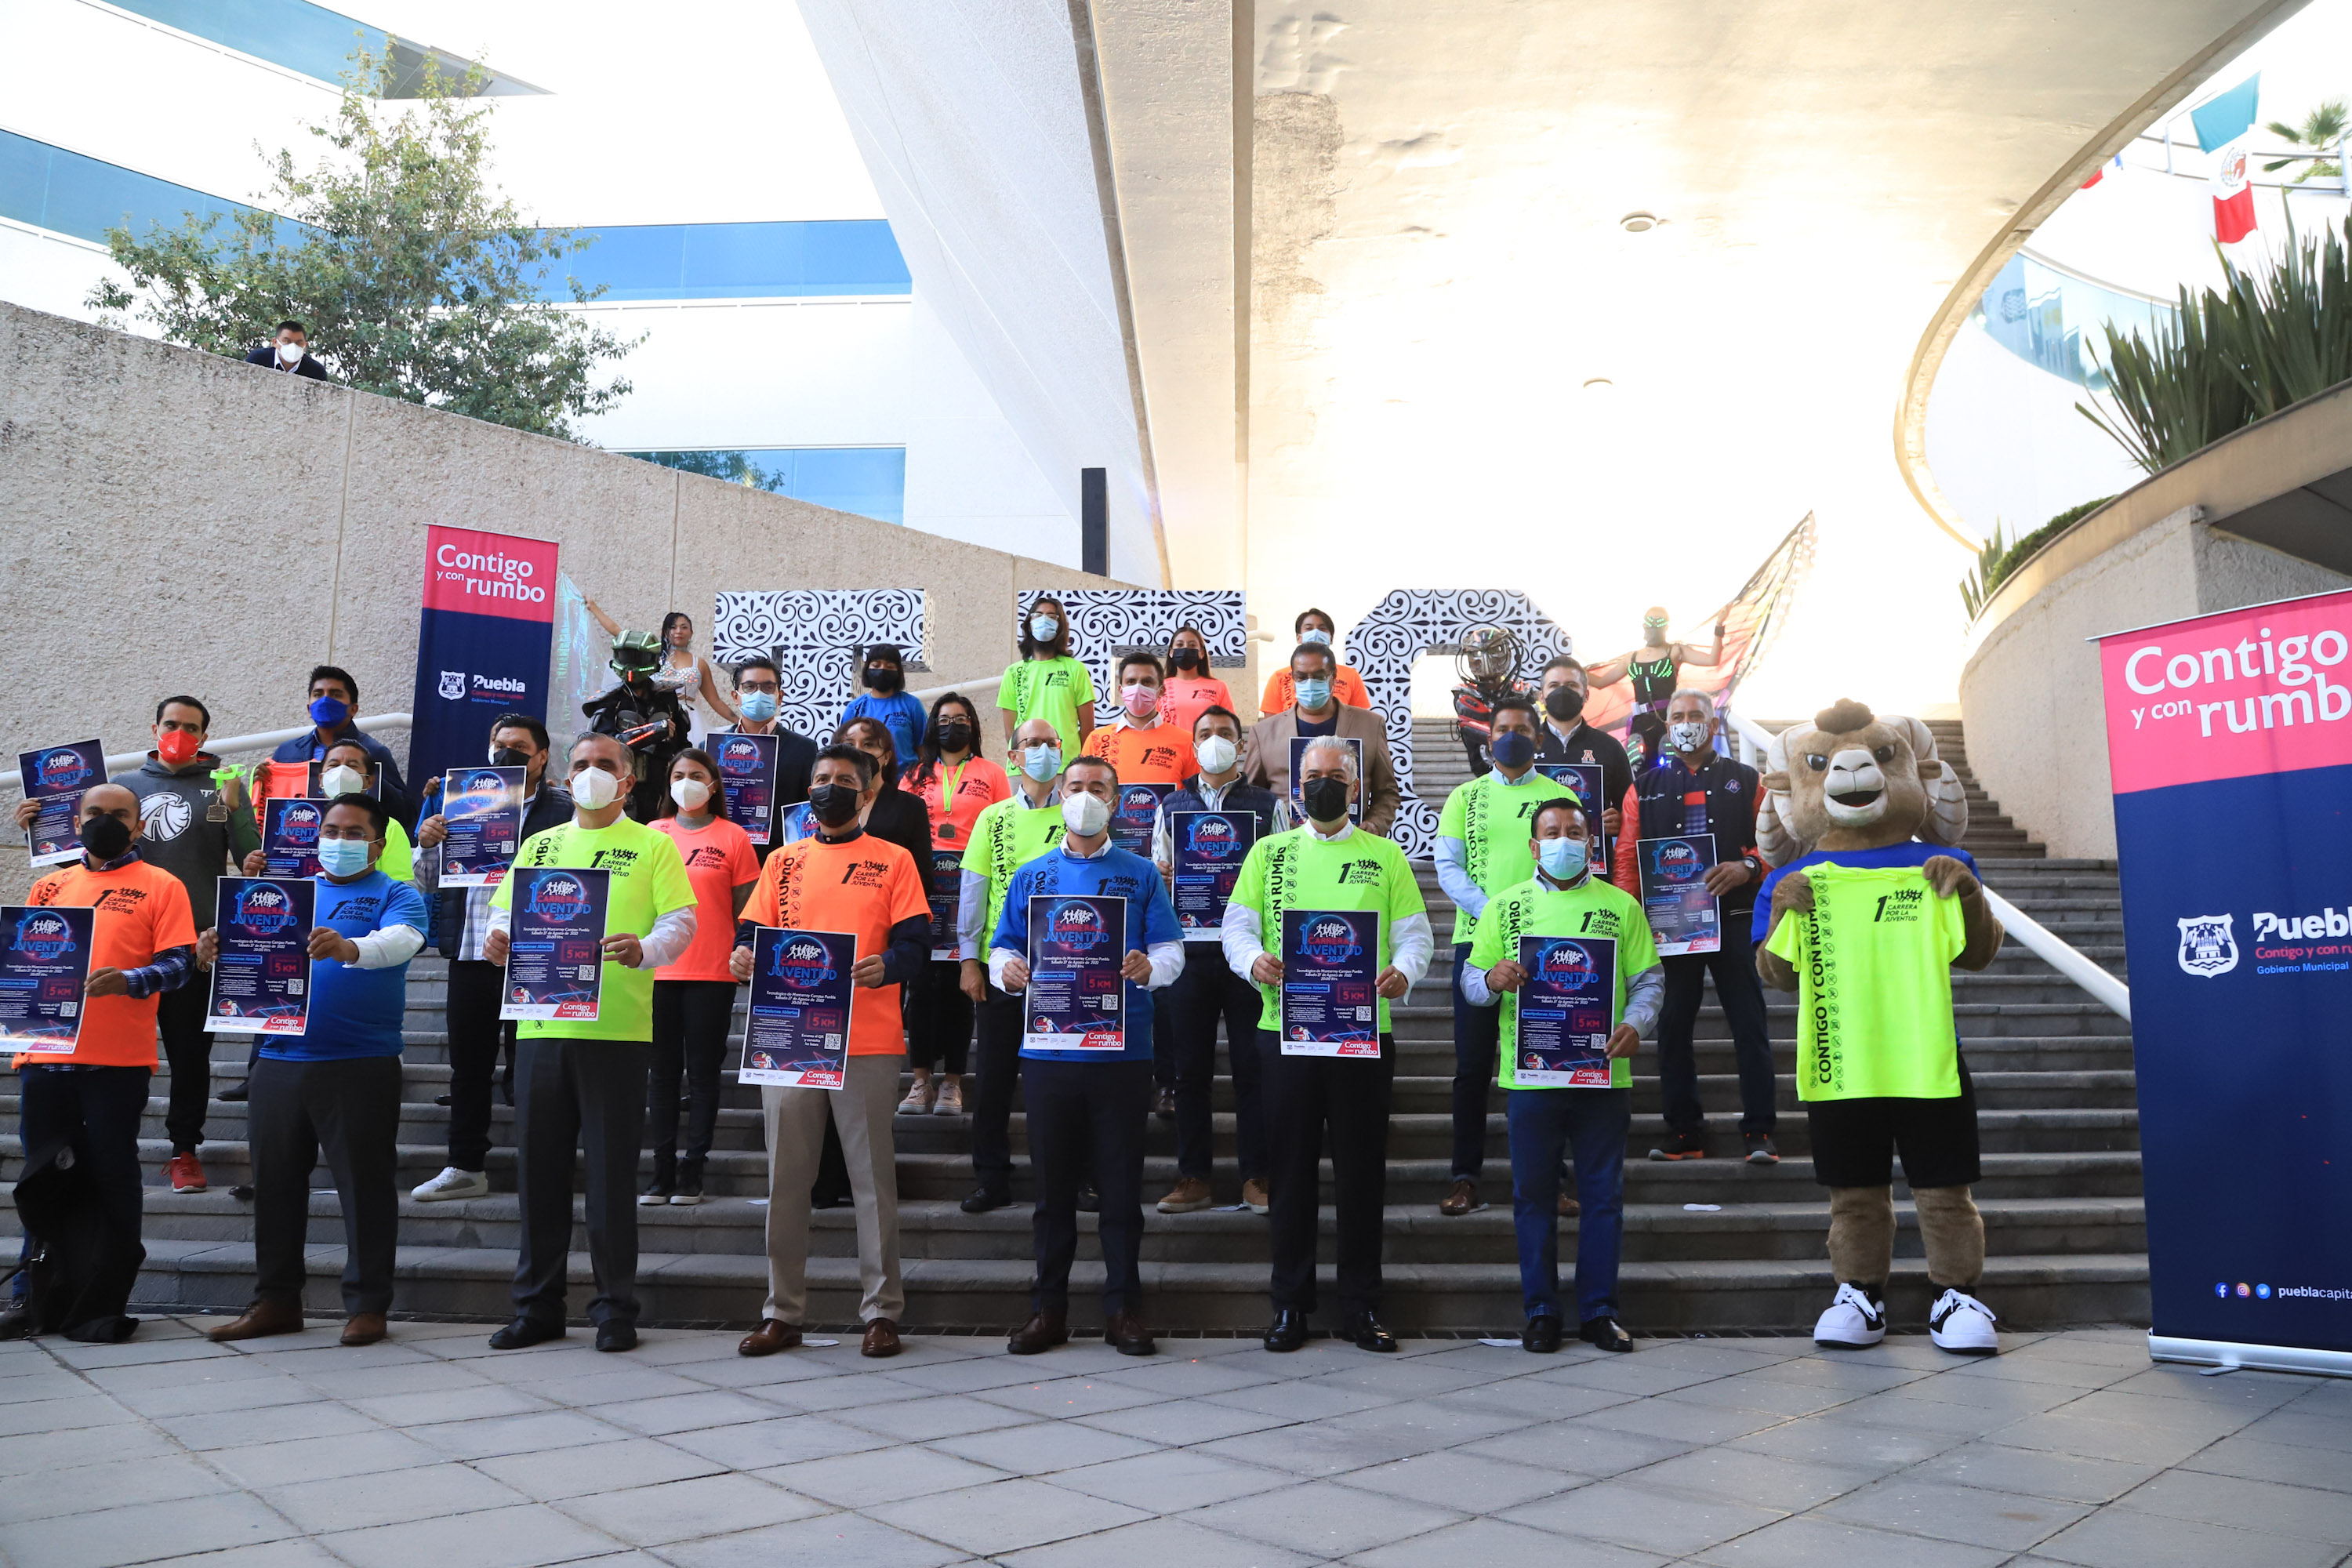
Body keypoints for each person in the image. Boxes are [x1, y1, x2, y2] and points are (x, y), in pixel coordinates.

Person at [483, 732, 698, 1353]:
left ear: (628, 781)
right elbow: (504, 912)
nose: (591, 774)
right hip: (540, 1029)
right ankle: (537, 1307)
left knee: (609, 1180)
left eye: (606, 765)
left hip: (617, 1035)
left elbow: (679, 923)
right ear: (563, 777)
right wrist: (500, 938)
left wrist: (645, 950)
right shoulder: (541, 844)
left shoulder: (653, 845)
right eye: (581, 765)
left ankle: (614, 1309)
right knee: (540, 1176)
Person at [1224, 738, 1432, 1352]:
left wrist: (1407, 973)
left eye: (1336, 776)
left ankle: (1362, 1307)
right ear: (1296, 787)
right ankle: (1290, 1305)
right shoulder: (1269, 853)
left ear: (1355, 786)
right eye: (1313, 776)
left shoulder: (1385, 857)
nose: (1323, 785)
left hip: (1363, 1040)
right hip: (1283, 1036)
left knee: (1361, 1176)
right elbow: (1238, 927)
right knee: (1289, 1175)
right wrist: (1252, 959)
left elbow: (1415, 936)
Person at [198, 793, 427, 1347]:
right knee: (274, 1187)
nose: (339, 839)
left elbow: (403, 942)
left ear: (378, 843)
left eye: (354, 832)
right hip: (276, 1060)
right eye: (331, 829)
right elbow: (246, 954)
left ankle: (369, 1306)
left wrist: (350, 947)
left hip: (359, 1062)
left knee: (365, 1188)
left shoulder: (398, 894)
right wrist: (213, 950)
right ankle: (276, 1301)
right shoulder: (285, 895)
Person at [732, 745, 932, 1360]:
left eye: (846, 780)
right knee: (786, 1180)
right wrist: (742, 957)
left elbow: (918, 946)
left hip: (867, 1040)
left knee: (873, 1182)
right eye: (822, 779)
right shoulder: (783, 861)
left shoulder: (894, 860)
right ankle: (782, 1312)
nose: (831, 787)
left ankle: (881, 1313)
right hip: (788, 1037)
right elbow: (750, 934)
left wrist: (887, 967)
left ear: (868, 791)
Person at [989, 754, 1185, 1356]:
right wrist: (1009, 971)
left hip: (1122, 1056)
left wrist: (1151, 968)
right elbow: (1001, 948)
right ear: (1061, 793)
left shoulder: (1141, 875)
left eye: (1097, 787)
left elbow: (1171, 950)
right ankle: (1048, 1310)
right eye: (1075, 786)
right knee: (1051, 1195)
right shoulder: (1032, 876)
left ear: (1117, 800)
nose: (1084, 795)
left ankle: (1123, 1309)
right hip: (1049, 1054)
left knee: (1122, 1191)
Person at [1462, 797, 1662, 1352]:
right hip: (1530, 1080)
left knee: (1603, 1198)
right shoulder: (1503, 908)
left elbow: (1650, 981)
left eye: (1575, 832)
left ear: (1592, 844)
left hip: (1603, 1077)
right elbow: (1471, 986)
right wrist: (1493, 979)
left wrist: (1636, 1024)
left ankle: (1600, 1311)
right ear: (1534, 845)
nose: (1564, 840)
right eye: (1553, 832)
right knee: (1532, 1196)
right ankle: (1542, 1311)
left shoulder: (1621, 907)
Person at [1, 784, 197, 1343]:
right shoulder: (49, 885)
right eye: (94, 814)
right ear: (76, 820)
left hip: (118, 1063)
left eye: (118, 815)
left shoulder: (162, 885)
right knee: (42, 1182)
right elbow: (25, 963)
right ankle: (33, 1299)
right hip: (45, 1056)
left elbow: (180, 966)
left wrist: (130, 981)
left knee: (114, 1179)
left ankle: (102, 1305)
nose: (104, 822)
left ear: (138, 826)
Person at [409, 713, 572, 1203]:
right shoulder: (462, 804)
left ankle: (540, 1167)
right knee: (469, 1067)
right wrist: (430, 845)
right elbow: (428, 884)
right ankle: (464, 1165)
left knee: (534, 1069)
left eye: (520, 747)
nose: (507, 753)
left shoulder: (564, 811)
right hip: (471, 949)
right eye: (500, 744)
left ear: (542, 757)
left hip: (536, 955)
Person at [1613, 691, 1774, 1163]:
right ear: (1666, 726)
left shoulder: (1748, 781)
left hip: (1735, 921)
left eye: (1695, 716)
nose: (1686, 724)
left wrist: (1748, 866)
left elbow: (1778, 847)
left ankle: (1760, 1131)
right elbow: (1626, 857)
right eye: (1678, 717)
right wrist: (1629, 916)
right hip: (1670, 927)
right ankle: (1685, 1132)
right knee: (1672, 1026)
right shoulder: (1642, 787)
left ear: (1713, 721)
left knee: (1750, 1025)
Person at [1434, 695, 1570, 1218]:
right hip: (1478, 944)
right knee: (1472, 1068)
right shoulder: (1464, 797)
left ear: (1538, 738)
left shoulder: (1560, 795)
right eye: (1503, 728)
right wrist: (1498, 912)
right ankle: (1465, 1177)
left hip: (1548, 945)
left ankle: (1550, 1178)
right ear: (1489, 738)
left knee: (1545, 1065)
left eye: (1522, 728)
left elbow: (1575, 861)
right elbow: (1448, 867)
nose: (1512, 735)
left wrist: (1531, 917)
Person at [1151, 704, 1288, 1214]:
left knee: (1253, 1068)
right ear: (1193, 744)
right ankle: (1194, 1177)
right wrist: (1163, 880)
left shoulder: (1265, 805)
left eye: (1225, 733)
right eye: (1205, 733)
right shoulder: (1173, 805)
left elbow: (1282, 873)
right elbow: (1155, 878)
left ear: (1242, 744)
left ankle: (1258, 1176)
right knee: (1189, 1071)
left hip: (1249, 955)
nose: (1215, 741)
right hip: (1189, 950)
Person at [119, 695, 258, 1193]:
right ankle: (114, 1147)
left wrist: (241, 812)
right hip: (128, 943)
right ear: (155, 727)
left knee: (190, 1055)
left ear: (204, 736)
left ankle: (184, 1151)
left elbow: (249, 860)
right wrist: (40, 831)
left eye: (191, 727)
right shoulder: (123, 788)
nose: (180, 733)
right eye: (171, 724)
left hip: (195, 946)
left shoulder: (223, 786)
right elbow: (86, 861)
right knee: (118, 1054)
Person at [956, 718, 1069, 1213]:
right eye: (1031, 744)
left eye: (1050, 743)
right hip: (1001, 967)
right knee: (995, 1079)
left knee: (1069, 1081)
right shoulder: (992, 818)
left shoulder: (1079, 813)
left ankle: (1073, 1178)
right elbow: (973, 892)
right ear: (1014, 755)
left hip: (1069, 968)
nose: (1041, 751)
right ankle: (991, 1177)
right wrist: (968, 960)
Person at [1083, 652, 1198, 1116]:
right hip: (1105, 876)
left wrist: (1182, 861)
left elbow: (1193, 811)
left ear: (1161, 687)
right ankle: (1109, 1067)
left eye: (1147, 681)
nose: (1138, 689)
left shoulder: (1184, 740)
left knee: (1162, 987)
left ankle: (1166, 1082)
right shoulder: (1098, 738)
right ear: (1118, 687)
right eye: (1130, 681)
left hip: (1159, 884)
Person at [645, 749, 760, 1204]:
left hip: (712, 973)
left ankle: (693, 1168)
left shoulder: (734, 837)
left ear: (713, 784)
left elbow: (746, 913)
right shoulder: (653, 834)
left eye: (696, 775)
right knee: (662, 1075)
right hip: (655, 970)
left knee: (704, 1074)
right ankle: (662, 1170)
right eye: (678, 774)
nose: (686, 782)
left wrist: (744, 951)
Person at [898, 694, 1008, 1115]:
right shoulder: (913, 774)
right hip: (923, 887)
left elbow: (1000, 827)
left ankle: (953, 1083)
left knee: (963, 989)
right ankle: (921, 1080)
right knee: (922, 988)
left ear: (973, 726)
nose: (952, 725)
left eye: (961, 719)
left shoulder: (992, 773)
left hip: (971, 889)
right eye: (944, 719)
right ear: (932, 726)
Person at [1243, 642, 1401, 835]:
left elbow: (1387, 791)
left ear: (1334, 678)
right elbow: (1250, 795)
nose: (1310, 683)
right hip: (1288, 847)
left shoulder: (1370, 725)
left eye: (1318, 676)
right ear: (1292, 678)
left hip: (1352, 842)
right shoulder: (1264, 733)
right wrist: (1275, 824)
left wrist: (1375, 824)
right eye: (1302, 677)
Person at [1585, 607, 1725, 768]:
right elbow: (1600, 682)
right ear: (1644, 625)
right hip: (1640, 723)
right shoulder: (1631, 658)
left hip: (1668, 720)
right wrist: (1571, 667)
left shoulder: (1675, 651)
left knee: (1671, 766)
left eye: (1659, 621)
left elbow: (1712, 659)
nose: (1654, 625)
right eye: (1650, 621)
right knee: (1638, 766)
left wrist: (1719, 626)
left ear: (1666, 627)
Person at [582, 605, 739, 746]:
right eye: (673, 627)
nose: (679, 631)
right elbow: (620, 633)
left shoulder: (700, 663)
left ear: (691, 632)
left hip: (689, 718)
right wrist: (594, 607)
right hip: (653, 713)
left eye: (684, 627)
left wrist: (739, 722)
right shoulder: (654, 656)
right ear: (665, 632)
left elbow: (715, 700)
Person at [269, 665, 409, 824]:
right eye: (318, 694)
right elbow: (272, 811)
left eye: (335, 694)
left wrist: (367, 779)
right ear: (309, 708)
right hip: (297, 843)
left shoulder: (374, 752)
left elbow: (405, 813)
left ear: (353, 709)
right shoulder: (287, 751)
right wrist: (262, 785)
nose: (325, 700)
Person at [582, 632, 693, 820]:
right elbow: (607, 747)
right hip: (624, 789)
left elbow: (682, 745)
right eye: (625, 657)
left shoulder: (666, 697)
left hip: (663, 786)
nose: (630, 665)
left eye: (636, 657)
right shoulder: (610, 701)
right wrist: (654, 731)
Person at [717, 655, 818, 859]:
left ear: (779, 697)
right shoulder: (713, 748)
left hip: (779, 859)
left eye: (768, 687)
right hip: (724, 856)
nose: (759, 693)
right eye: (750, 687)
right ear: (736, 697)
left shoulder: (804, 749)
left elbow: (807, 812)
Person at [1534, 656, 1631, 868]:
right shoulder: (1526, 746)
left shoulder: (1610, 747)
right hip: (1534, 870)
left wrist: (1620, 820)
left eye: (1571, 685)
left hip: (1595, 869)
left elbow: (1631, 808)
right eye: (1554, 686)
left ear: (1586, 695)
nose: (1563, 691)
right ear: (1542, 696)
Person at [997, 596, 1095, 753]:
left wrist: (1074, 762)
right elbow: (1010, 734)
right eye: (1038, 615)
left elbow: (1088, 729)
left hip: (1065, 765)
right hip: (1023, 766)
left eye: (1051, 616)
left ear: (1060, 626)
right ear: (1029, 625)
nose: (1044, 620)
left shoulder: (1076, 669)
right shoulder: (1013, 672)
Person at [1450, 626, 1529, 776]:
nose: (1486, 657)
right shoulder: (1464, 694)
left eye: (1494, 651)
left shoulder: (1522, 691)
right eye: (1478, 653)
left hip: (1521, 770)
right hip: (1484, 772)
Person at [1259, 608, 1371, 713]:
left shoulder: (1350, 675)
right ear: (1299, 637)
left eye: (1322, 629)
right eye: (1309, 628)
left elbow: (1360, 718)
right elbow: (1272, 726)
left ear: (1331, 638)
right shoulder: (1279, 677)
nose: (1316, 632)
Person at [841, 644, 927, 765]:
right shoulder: (855, 708)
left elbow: (923, 748)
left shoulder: (912, 705)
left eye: (890, 666)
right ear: (867, 668)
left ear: (898, 671)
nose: (882, 670)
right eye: (876, 665)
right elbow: (843, 749)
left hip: (904, 781)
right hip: (864, 779)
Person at [1160, 624, 1234, 735]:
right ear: (1171, 652)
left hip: (1206, 751)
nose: (1185, 649)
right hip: (1170, 750)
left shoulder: (1218, 687)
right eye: (1180, 645)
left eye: (1192, 645)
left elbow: (1229, 725)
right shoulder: (1160, 687)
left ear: (1201, 653)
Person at [245, 320, 328, 381]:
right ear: (275, 342)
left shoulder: (316, 371)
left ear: (305, 346)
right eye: (287, 341)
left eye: (299, 342)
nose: (293, 346)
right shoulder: (258, 359)